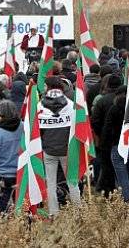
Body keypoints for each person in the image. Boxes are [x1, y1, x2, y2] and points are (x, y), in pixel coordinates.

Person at [38, 76, 80, 216]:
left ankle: (54, 213)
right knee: (72, 181)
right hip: (67, 149)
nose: (43, 88)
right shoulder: (70, 105)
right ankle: (78, 211)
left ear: (49, 87)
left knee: (50, 183)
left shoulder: (40, 105)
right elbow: (76, 127)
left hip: (48, 149)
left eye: (44, 86)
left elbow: (37, 130)